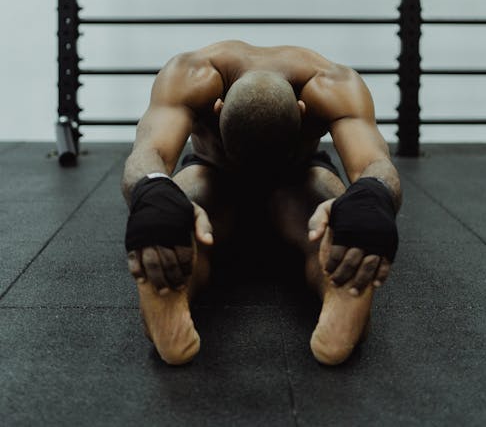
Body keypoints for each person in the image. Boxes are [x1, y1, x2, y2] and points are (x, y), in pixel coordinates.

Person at [122, 40, 401, 366]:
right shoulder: (189, 75)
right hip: (221, 175)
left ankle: (172, 270)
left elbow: (374, 164)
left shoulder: (333, 84)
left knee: (340, 209)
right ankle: (341, 275)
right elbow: (148, 152)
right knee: (177, 202)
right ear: (219, 108)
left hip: (290, 178)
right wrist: (154, 195)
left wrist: (370, 200)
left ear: (301, 109)